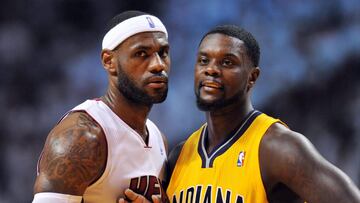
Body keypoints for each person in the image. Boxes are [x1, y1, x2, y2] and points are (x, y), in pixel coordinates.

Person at [165, 25, 360, 203]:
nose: (211, 70)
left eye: (227, 62)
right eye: (204, 60)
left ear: (252, 77)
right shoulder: (179, 156)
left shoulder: (277, 148)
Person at [32, 10, 170, 203]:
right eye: (141, 54)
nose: (158, 65)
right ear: (109, 61)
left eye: (163, 53)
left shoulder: (158, 138)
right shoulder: (81, 136)